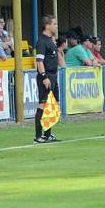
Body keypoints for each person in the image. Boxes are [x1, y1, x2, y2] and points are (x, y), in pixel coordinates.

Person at [34, 15, 61, 144]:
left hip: (53, 75)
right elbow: (39, 61)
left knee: (52, 105)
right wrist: (44, 76)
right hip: (46, 76)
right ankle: (38, 136)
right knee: (43, 104)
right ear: (47, 25)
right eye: (54, 24)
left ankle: (48, 134)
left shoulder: (51, 40)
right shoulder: (42, 41)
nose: (56, 26)